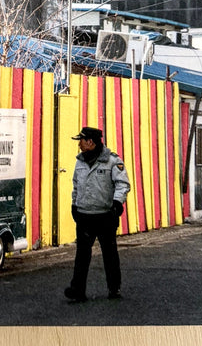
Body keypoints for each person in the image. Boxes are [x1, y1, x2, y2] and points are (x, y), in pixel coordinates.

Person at [64, 125, 131, 303]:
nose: (79, 145)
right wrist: (74, 206)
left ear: (90, 142)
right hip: (84, 215)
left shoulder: (112, 161)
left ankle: (114, 288)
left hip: (105, 216)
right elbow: (76, 186)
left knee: (109, 254)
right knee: (82, 256)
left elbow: (122, 184)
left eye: (81, 141)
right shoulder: (80, 161)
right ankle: (77, 290)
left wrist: (117, 204)